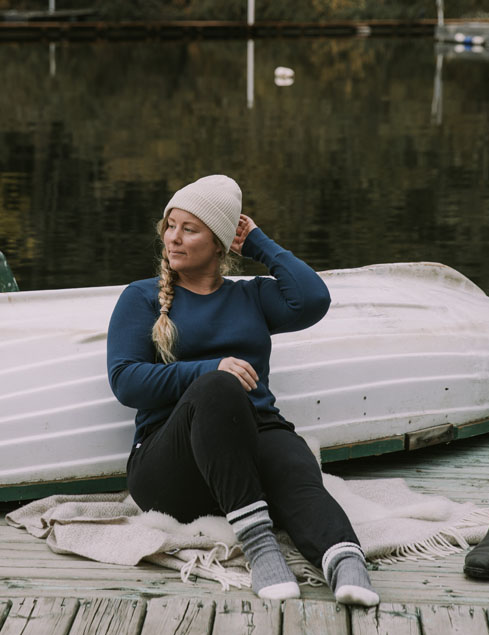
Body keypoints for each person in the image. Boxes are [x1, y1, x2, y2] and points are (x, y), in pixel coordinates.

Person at [107, 174, 378, 605]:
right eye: (170, 226)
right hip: (171, 468)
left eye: (189, 229)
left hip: (252, 445)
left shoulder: (250, 297)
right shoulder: (140, 298)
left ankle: (346, 562)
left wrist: (257, 242)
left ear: (218, 243)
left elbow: (313, 300)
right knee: (217, 386)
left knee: (295, 465)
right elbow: (125, 381)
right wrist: (210, 369)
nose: (173, 239)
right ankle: (260, 545)